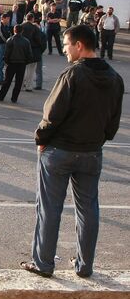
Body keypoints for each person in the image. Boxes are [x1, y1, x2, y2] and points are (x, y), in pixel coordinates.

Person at [21, 25, 124, 278]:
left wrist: (40, 139)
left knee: (49, 207)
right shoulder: (114, 79)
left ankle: (43, 263)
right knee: (88, 209)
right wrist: (96, 139)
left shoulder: (72, 75)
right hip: (91, 153)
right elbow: (112, 125)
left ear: (80, 45)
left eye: (66, 45)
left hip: (59, 151)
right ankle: (85, 265)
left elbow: (52, 114)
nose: (64, 49)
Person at [0, 24, 32, 103]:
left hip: (11, 63)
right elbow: (29, 54)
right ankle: (14, 98)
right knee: (18, 82)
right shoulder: (26, 41)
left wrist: (6, 62)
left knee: (7, 81)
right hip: (22, 63)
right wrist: (25, 62)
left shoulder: (10, 40)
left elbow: (6, 54)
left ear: (14, 31)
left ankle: (1, 96)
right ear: (22, 31)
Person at [0, 13, 13, 84]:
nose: (8, 20)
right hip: (1, 45)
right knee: (0, 62)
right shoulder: (0, 26)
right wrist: (9, 42)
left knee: (3, 62)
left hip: (5, 45)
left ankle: (1, 77)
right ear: (3, 19)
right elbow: (2, 36)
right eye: (7, 19)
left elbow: (9, 34)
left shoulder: (6, 26)